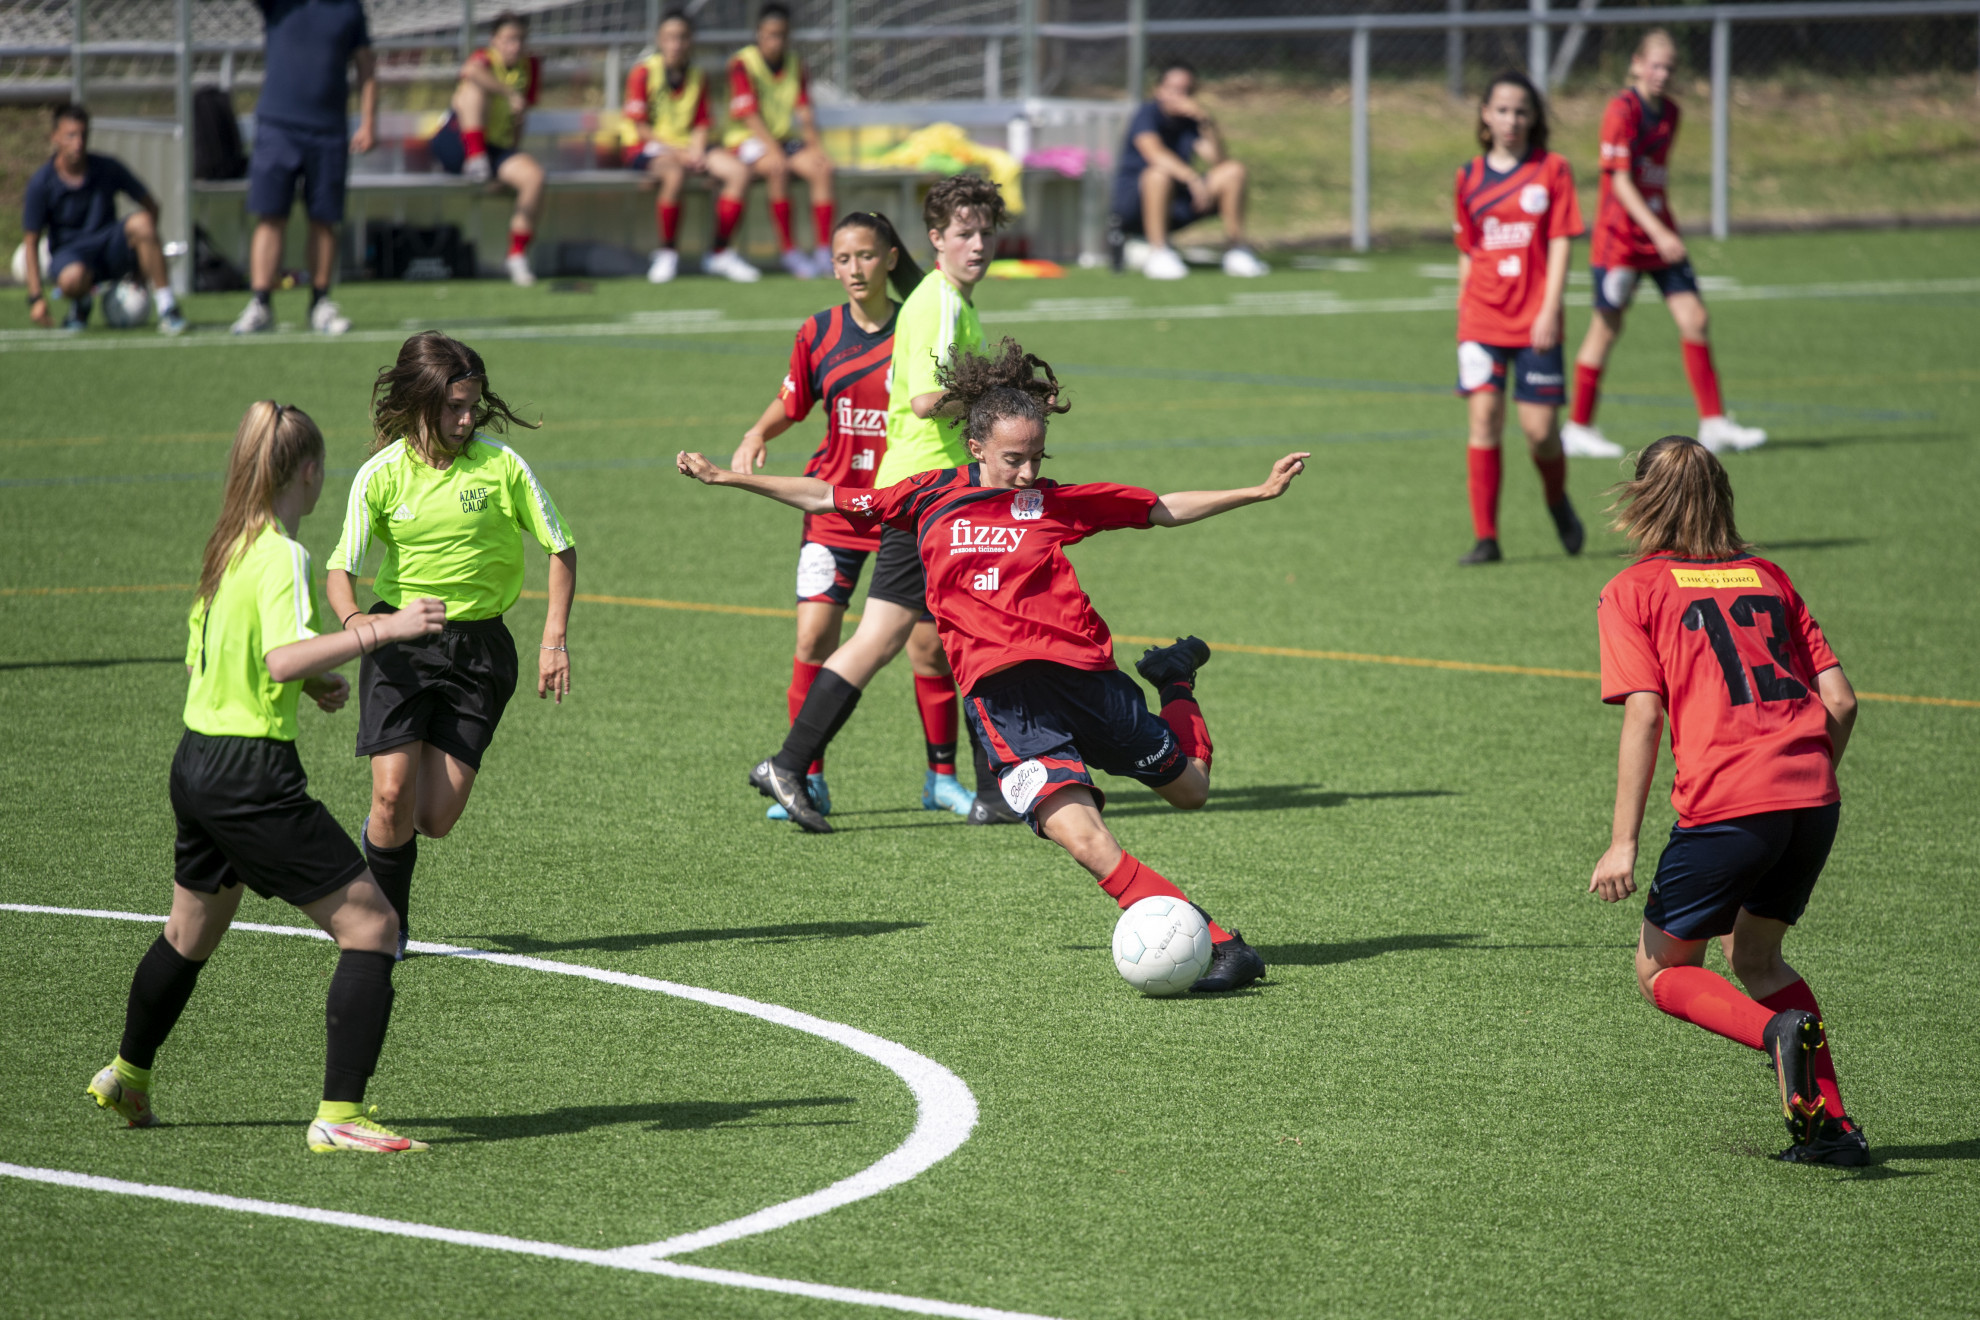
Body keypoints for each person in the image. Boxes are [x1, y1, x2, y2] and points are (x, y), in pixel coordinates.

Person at [677, 339, 1302, 995]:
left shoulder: (1054, 502)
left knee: (1192, 788)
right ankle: (1222, 946)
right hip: (1008, 706)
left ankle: (1174, 677)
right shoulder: (923, 496)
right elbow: (827, 497)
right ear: (975, 447)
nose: (1028, 472)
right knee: (1084, 839)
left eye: (1037, 457)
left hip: (1088, 680)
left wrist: (1256, 492)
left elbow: (1161, 508)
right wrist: (731, 477)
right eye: (1013, 459)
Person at [85, 401, 445, 1154]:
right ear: (308, 472)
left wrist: (310, 685)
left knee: (189, 931)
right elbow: (280, 657)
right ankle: (339, 1115)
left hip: (196, 761)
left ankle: (127, 1074)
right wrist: (386, 627)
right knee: (373, 926)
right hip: (252, 774)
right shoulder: (284, 554)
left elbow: (211, 656)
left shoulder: (229, 545)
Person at [1588, 435, 1865, 1167]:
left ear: (1642, 499)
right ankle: (1829, 1129)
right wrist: (1803, 778)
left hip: (1731, 807)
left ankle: (1774, 1036)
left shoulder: (1635, 589)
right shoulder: (1769, 577)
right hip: (1813, 798)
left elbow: (1644, 712)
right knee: (1759, 957)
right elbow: (1841, 700)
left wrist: (1623, 843)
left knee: (1661, 969)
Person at [735, 174, 1012, 827]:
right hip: (929, 493)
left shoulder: (943, 300)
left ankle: (800, 766)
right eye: (963, 233)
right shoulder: (941, 303)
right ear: (936, 239)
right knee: (936, 633)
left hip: (923, 491)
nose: (977, 245)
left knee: (905, 635)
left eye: (984, 233)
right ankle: (988, 789)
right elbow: (924, 401)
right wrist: (999, 393)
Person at [325, 332, 577, 959]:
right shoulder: (379, 476)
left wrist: (553, 640)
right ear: (418, 403)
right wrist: (358, 621)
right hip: (402, 642)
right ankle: (386, 928)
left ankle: (381, 839)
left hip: (481, 652)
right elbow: (341, 568)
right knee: (390, 793)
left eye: (473, 406)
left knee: (432, 817)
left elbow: (561, 547)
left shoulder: (501, 465)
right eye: (454, 407)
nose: (467, 419)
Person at [1564, 31, 1766, 459]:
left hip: (1659, 236)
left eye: (1670, 68)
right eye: (1655, 65)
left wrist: (1661, 231)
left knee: (1695, 317)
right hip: (1620, 241)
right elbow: (1618, 181)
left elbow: (1651, 176)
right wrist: (1658, 231)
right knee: (1606, 328)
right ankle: (1577, 427)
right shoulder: (1622, 111)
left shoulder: (1671, 113)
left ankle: (1713, 423)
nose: (1662, 74)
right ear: (1636, 63)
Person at [1451, 72, 1585, 567]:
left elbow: (1562, 239)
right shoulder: (1468, 177)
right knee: (1484, 420)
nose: (1512, 119)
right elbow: (1468, 248)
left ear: (1534, 118)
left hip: (1535, 321)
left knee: (1539, 432)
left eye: (1522, 111)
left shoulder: (1552, 170)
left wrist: (1550, 308)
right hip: (1482, 319)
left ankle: (1555, 499)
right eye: (1503, 109)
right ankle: (1486, 538)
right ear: (1485, 114)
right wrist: (1466, 314)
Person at [230, 0, 376, 336]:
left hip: (328, 131)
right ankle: (261, 303)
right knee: (270, 215)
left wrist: (368, 122)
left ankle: (320, 303)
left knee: (324, 218)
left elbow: (366, 66)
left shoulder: (348, 9)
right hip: (277, 127)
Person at [21, 103, 184, 335]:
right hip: (72, 254)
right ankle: (82, 302)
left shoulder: (107, 167)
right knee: (71, 279)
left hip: (110, 245)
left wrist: (143, 264)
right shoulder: (41, 183)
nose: (78, 143)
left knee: (142, 222)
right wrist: (36, 298)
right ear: (55, 137)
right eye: (70, 136)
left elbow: (151, 205)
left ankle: (168, 307)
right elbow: (30, 242)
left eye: (83, 135)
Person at [621, 8, 757, 284]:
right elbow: (640, 127)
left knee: (739, 172)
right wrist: (681, 154)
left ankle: (720, 252)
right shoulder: (643, 72)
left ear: (691, 40)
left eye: (682, 37)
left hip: (685, 148)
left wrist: (696, 150)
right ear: (660, 39)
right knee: (674, 174)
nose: (676, 44)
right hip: (646, 147)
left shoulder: (697, 75)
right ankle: (667, 252)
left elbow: (702, 122)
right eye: (670, 37)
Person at [1112, 59, 1267, 281]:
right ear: (1159, 89)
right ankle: (1159, 252)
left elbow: (1218, 160)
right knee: (1159, 174)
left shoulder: (1190, 122)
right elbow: (1154, 154)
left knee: (1234, 171)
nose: (1180, 96)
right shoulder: (1146, 114)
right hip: (1137, 203)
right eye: (1174, 89)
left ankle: (1236, 249)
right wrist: (1192, 178)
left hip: (1179, 200)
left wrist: (1205, 121)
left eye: (1186, 91)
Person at [428, 10, 546, 286]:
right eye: (508, 39)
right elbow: (470, 72)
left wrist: (511, 154)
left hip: (497, 148)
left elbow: (520, 117)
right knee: (473, 88)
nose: (514, 46)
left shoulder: (530, 68)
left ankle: (517, 256)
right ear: (494, 40)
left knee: (534, 177)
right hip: (457, 143)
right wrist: (508, 92)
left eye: (519, 40)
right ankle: (476, 159)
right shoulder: (483, 60)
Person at [722, 2, 836, 279]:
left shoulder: (796, 63)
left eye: (781, 34)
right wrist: (776, 152)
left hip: (781, 140)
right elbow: (749, 115)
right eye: (770, 34)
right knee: (778, 168)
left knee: (823, 168)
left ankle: (824, 251)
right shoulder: (742, 63)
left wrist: (816, 147)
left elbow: (805, 110)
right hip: (746, 141)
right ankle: (790, 252)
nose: (776, 41)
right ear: (759, 34)